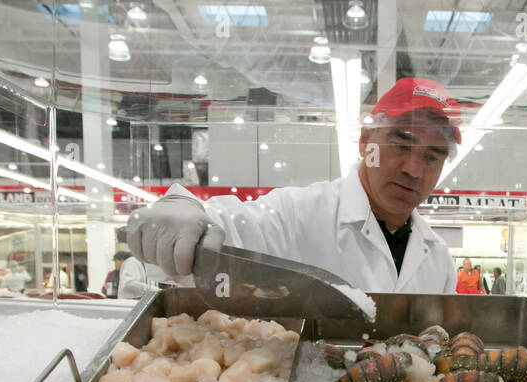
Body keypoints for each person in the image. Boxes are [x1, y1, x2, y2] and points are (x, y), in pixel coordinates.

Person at [126, 77, 462, 293]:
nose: (414, 170)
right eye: (401, 144)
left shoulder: (438, 259)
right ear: (366, 142)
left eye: (432, 157)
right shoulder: (297, 214)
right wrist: (186, 212)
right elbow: (231, 226)